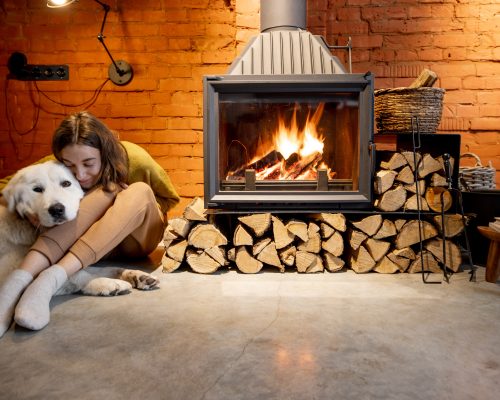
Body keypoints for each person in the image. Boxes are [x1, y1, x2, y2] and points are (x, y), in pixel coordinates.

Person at [0, 111, 180, 337]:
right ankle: (25, 282)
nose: (80, 174)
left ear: (104, 153)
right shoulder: (57, 164)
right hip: (86, 245)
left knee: (126, 189)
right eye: (70, 165)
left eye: (88, 163)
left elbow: (170, 198)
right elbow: (7, 187)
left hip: (136, 239)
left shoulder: (135, 158)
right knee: (102, 193)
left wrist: (122, 204)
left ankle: (53, 277)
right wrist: (28, 211)